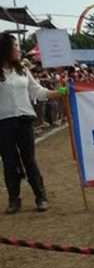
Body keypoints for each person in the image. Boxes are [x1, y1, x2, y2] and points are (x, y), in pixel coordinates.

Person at [0, 33, 66, 213]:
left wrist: (60, 91)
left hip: (25, 120)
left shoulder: (23, 69)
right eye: (15, 46)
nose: (18, 49)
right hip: (3, 123)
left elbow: (38, 92)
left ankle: (41, 197)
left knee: (29, 160)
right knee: (9, 162)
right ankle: (14, 200)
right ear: (5, 49)